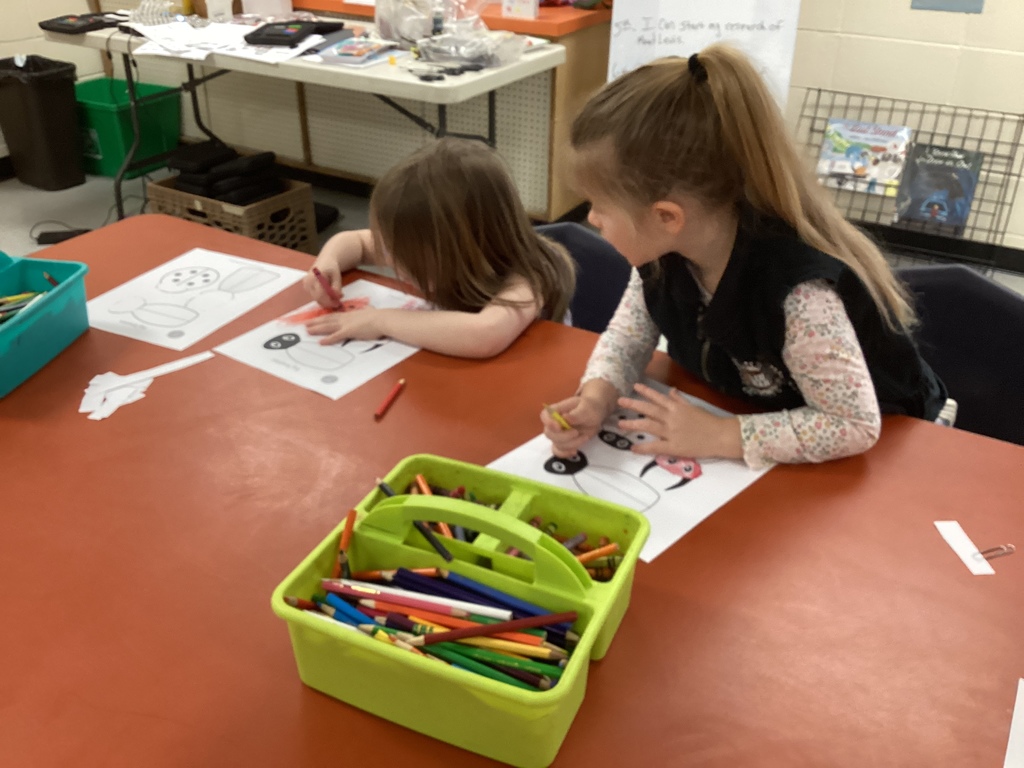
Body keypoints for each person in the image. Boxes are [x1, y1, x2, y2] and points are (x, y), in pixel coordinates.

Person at [541, 44, 949, 469]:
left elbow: (853, 424)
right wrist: (598, 394)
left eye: (599, 205)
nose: (592, 218)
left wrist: (719, 435)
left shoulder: (798, 293)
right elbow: (629, 338)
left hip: (894, 451)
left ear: (667, 216)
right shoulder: (662, 254)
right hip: (763, 415)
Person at [303, 138, 575, 359]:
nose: (392, 262)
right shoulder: (437, 251)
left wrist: (380, 321)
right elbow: (357, 242)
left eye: (409, 259)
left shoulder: (531, 273)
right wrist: (327, 262)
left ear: (461, 249)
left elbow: (484, 335)